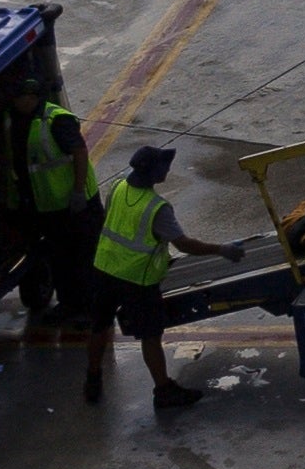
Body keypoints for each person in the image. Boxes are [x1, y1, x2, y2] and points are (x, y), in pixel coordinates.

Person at [92, 140, 249, 407]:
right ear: (154, 173)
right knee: (150, 336)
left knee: (99, 326)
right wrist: (222, 249)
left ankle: (93, 378)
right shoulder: (157, 208)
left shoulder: (118, 187)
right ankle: (163, 390)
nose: (167, 169)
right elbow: (185, 245)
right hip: (137, 280)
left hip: (105, 268)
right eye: (163, 166)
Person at [17, 87, 103, 377]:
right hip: (51, 207)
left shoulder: (56, 120)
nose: (17, 103)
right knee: (61, 259)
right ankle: (69, 304)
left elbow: (79, 152)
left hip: (78, 205)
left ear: (31, 97)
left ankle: (91, 310)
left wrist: (78, 191)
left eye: (20, 98)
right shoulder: (23, 120)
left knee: (85, 257)